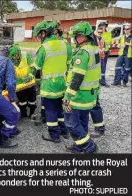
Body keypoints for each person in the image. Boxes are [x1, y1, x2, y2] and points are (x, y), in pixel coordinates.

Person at [63, 21, 101, 153]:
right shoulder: (94, 49)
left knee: (71, 123)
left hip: (79, 96)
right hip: (90, 95)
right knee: (82, 120)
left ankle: (88, 146)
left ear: (85, 36)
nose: (75, 38)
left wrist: (68, 96)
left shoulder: (83, 52)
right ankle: (79, 146)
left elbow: (77, 77)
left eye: (78, 35)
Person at [33, 20, 72, 143]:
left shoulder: (43, 48)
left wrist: (38, 82)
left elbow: (37, 69)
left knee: (50, 110)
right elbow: (69, 65)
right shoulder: (65, 45)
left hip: (49, 86)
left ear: (44, 33)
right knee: (60, 108)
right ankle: (64, 131)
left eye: (39, 35)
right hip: (63, 84)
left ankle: (54, 135)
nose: (39, 38)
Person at [8, 44, 37, 118]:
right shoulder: (11, 60)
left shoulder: (26, 55)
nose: (14, 58)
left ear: (19, 53)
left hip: (29, 82)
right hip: (19, 83)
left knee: (32, 99)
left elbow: (33, 67)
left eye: (15, 56)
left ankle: (32, 112)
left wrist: (30, 76)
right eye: (13, 56)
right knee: (22, 100)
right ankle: (23, 113)